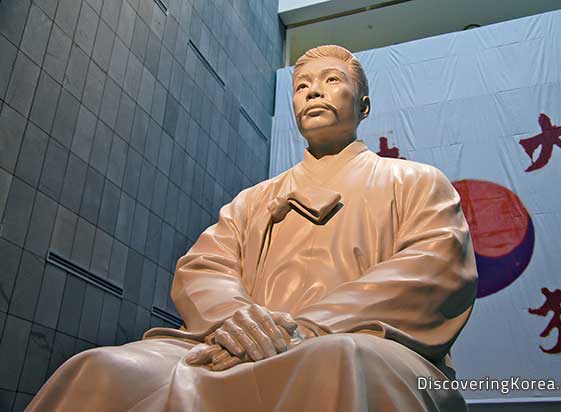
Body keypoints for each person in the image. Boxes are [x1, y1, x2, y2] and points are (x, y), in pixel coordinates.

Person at [27, 45, 478, 412]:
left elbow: (433, 268)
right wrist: (234, 319)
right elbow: (204, 267)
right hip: (236, 341)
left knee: (339, 361)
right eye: (302, 86)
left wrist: (303, 328)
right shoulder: (253, 200)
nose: (313, 93)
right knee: (103, 370)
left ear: (363, 105)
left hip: (352, 337)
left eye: (331, 81)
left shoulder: (415, 181)